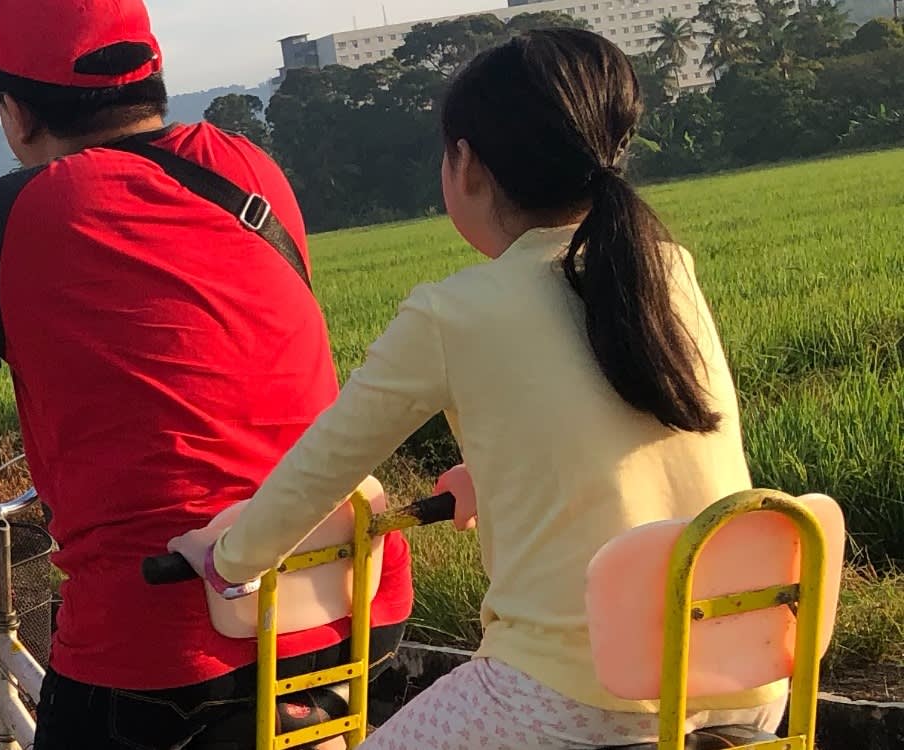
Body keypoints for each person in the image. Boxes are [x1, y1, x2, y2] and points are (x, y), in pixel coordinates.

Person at [0, 0, 414, 746]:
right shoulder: (250, 168)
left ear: (19, 112)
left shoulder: (21, 210)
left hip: (169, 619)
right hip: (353, 585)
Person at [185, 29, 782, 747]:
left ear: (465, 164)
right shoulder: (664, 270)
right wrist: (493, 472)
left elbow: (322, 467)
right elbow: (636, 433)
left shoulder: (452, 314)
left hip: (574, 698)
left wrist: (228, 560)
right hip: (747, 678)